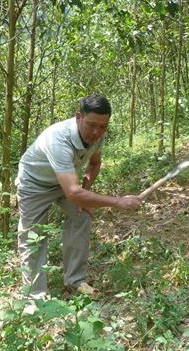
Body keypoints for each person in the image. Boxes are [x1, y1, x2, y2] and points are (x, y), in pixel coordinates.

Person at [15, 93, 141, 298]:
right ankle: (34, 296)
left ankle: (75, 280)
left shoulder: (98, 135)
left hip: (66, 179)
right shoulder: (58, 138)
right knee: (33, 236)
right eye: (92, 125)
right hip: (35, 183)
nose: (97, 132)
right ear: (78, 117)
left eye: (103, 126)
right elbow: (73, 193)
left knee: (82, 215)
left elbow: (94, 163)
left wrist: (86, 190)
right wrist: (118, 201)